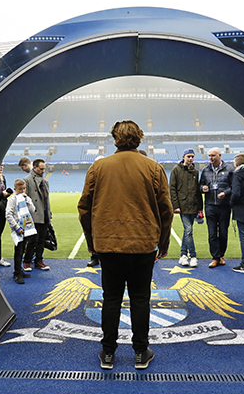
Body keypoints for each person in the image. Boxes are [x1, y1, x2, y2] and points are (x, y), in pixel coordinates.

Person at [78, 120, 172, 371]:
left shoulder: (99, 167)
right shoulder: (153, 167)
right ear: (140, 138)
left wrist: (92, 241)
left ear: (114, 139)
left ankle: (108, 352)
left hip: (108, 245)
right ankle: (141, 352)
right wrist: (163, 243)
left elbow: (84, 208)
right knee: (141, 299)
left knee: (111, 299)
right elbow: (166, 210)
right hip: (143, 244)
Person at [199, 147, 233, 268]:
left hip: (224, 206)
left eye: (213, 155)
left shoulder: (229, 169)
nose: (211, 158)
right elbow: (200, 184)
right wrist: (202, 188)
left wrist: (226, 193)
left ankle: (221, 255)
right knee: (212, 233)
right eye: (209, 156)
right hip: (210, 206)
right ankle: (215, 257)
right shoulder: (205, 170)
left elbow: (234, 186)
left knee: (223, 233)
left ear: (219, 155)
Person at [170, 148, 202, 268]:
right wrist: (176, 205)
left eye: (192, 156)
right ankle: (193, 256)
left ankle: (183, 255)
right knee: (189, 231)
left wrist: (200, 208)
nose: (190, 158)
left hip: (193, 206)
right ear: (183, 157)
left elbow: (197, 191)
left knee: (186, 232)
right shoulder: (176, 170)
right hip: (182, 206)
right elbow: (172, 189)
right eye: (188, 156)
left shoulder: (195, 172)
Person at [22, 158, 52, 271]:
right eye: (41, 168)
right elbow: (25, 200)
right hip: (33, 215)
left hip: (44, 214)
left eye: (44, 169)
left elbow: (47, 200)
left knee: (41, 240)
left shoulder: (45, 181)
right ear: (34, 168)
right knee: (32, 240)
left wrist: (49, 215)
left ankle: (39, 260)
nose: (43, 171)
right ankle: (27, 261)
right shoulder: (27, 180)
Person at [5, 179, 34, 284]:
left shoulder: (26, 198)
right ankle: (17, 273)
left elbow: (32, 210)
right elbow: (8, 214)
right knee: (18, 251)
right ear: (15, 189)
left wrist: (27, 200)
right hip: (18, 229)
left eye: (24, 188)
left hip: (26, 228)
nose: (22, 191)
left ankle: (20, 271)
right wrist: (16, 227)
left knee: (22, 250)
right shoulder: (12, 200)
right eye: (20, 189)